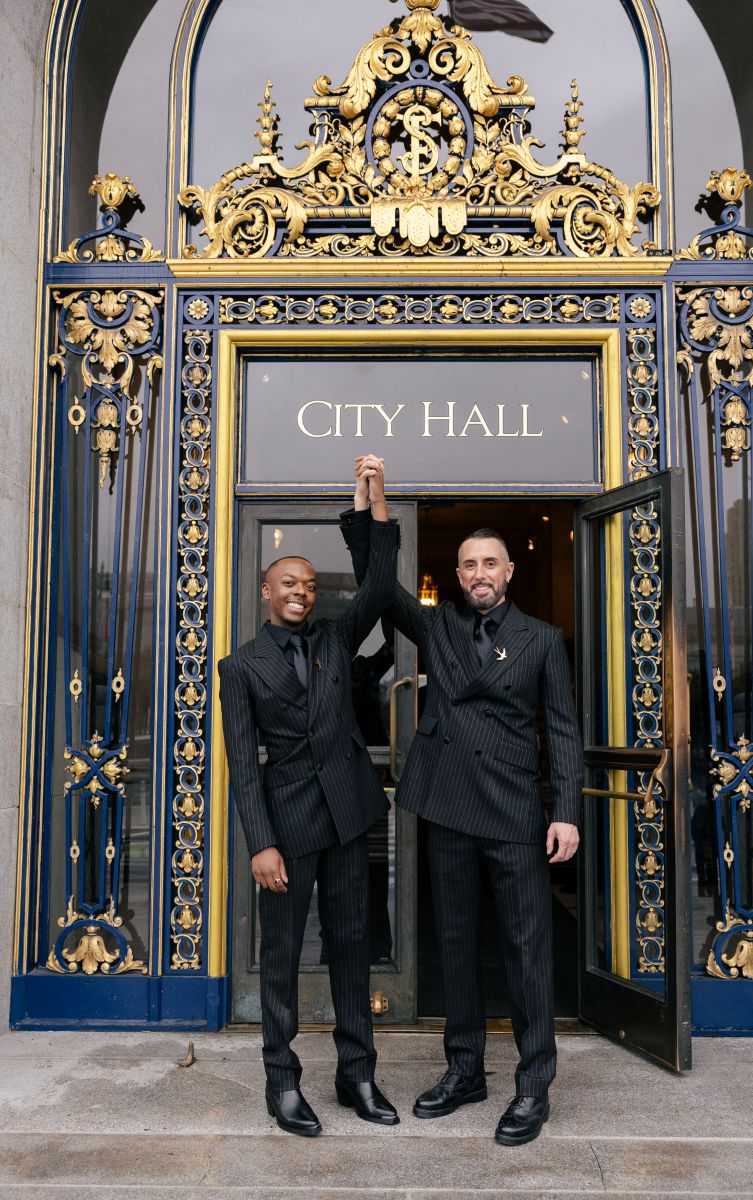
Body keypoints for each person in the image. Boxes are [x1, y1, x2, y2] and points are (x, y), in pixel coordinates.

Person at [344, 456, 582, 1148]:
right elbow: (379, 587)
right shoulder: (439, 628)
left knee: (527, 948)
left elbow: (562, 730)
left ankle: (533, 1084)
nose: (479, 574)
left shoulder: (541, 639)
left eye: (490, 563)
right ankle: (465, 1070)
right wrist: (374, 507)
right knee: (453, 943)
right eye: (468, 564)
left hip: (512, 809)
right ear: (459, 576)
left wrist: (564, 810)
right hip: (447, 802)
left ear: (508, 572)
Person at [218, 464, 399, 1137]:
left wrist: (370, 509)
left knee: (353, 948)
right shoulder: (240, 668)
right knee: (284, 954)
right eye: (289, 583)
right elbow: (243, 765)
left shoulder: (334, 641)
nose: (301, 591)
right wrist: (260, 842)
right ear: (267, 590)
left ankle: (357, 1075)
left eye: (309, 585)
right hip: (288, 829)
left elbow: (380, 587)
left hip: (351, 818)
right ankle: (281, 1081)